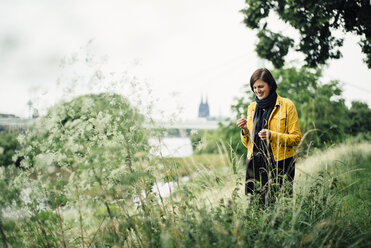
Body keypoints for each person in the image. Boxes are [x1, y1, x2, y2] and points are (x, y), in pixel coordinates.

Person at [236, 68, 302, 205]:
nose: (257, 90)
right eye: (254, 87)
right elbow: (247, 144)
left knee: (279, 207)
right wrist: (245, 131)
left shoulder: (287, 105)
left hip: (280, 164)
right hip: (254, 165)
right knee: (254, 207)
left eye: (261, 86)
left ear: (270, 85)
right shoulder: (252, 108)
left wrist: (272, 135)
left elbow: (296, 138)